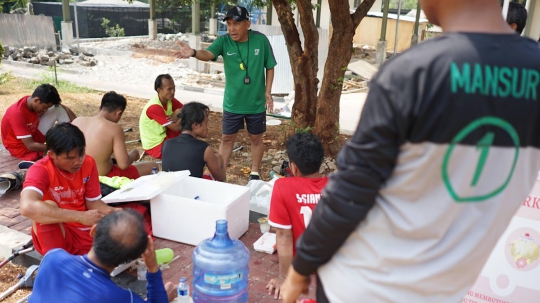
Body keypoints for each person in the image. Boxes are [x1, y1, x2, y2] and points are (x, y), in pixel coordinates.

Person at [280, 0, 540, 302]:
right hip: (442, 292)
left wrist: (299, 271)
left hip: (360, 286)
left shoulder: (414, 71)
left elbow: (350, 193)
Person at [175, 6, 277, 181]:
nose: (231, 29)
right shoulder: (224, 42)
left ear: (247, 23)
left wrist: (268, 91)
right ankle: (220, 175)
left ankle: (254, 173)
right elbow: (208, 54)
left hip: (256, 103)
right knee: (227, 138)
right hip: (233, 103)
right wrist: (193, 52)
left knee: (256, 138)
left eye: (236, 24)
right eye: (229, 24)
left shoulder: (261, 40)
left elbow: (270, 66)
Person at [29, 210, 177, 303]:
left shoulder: (53, 257)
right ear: (133, 257)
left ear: (93, 231)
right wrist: (152, 268)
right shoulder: (120, 298)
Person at [20, 123, 120, 256]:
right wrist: (80, 216)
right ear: (52, 154)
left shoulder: (88, 163)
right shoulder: (40, 170)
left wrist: (112, 212)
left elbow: (93, 202)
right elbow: (27, 207)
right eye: (70, 158)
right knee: (47, 207)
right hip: (57, 232)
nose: (78, 161)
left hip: (84, 229)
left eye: (81, 154)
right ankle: (56, 263)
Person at [265, 133, 328, 299]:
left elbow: (284, 236)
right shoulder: (336, 186)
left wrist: (284, 278)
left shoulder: (282, 186)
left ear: (293, 167)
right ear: (320, 163)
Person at [72, 91, 157, 178]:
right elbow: (123, 164)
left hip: (75, 173)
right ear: (118, 113)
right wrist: (133, 154)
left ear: (99, 109)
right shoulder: (114, 128)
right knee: (153, 166)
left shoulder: (77, 121)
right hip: (100, 176)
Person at [1, 84, 77, 161]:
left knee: (57, 108)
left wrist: (66, 108)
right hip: (21, 147)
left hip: (33, 134)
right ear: (36, 100)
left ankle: (75, 140)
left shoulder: (31, 101)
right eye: (45, 107)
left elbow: (57, 107)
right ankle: (70, 145)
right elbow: (30, 146)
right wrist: (59, 148)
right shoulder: (17, 113)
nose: (46, 110)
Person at [162, 102, 226, 181]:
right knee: (219, 158)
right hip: (193, 191)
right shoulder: (204, 148)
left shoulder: (167, 143)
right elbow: (219, 178)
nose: (207, 127)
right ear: (195, 125)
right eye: (206, 123)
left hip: (169, 189)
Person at [139, 74, 183, 159]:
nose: (173, 91)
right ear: (159, 90)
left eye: (174, 88)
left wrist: (178, 114)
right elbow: (176, 127)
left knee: (188, 131)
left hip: (165, 135)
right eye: (169, 89)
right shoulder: (154, 107)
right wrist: (180, 114)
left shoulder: (169, 100)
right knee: (183, 150)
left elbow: (186, 108)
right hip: (155, 145)